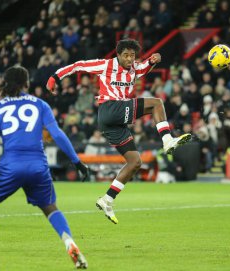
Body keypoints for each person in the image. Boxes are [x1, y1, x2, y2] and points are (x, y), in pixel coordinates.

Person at [46, 39, 191, 224]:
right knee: (156, 103)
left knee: (135, 162)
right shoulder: (105, 65)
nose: (130, 59)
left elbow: (143, 67)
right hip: (110, 108)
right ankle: (167, 139)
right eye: (126, 55)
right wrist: (54, 77)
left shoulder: (134, 68)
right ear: (118, 55)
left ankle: (107, 199)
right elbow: (78, 65)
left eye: (132, 55)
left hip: (111, 124)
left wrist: (153, 60)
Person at [0, 67, 89, 269]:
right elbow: (57, 134)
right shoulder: (41, 104)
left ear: (5, 83)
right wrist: (77, 162)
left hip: (10, 166)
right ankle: (70, 243)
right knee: (50, 207)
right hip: (38, 166)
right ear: (27, 83)